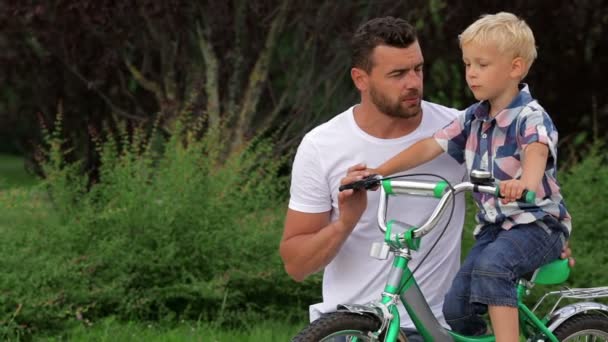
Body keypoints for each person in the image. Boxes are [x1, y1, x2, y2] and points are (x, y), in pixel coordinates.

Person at [371, 12, 571, 341]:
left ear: (515, 68)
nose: (471, 74)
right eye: (467, 64)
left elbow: (536, 151)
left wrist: (526, 184)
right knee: (456, 307)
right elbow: (429, 147)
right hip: (495, 229)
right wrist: (379, 171)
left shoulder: (530, 117)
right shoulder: (472, 118)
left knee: (493, 269)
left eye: (482, 64)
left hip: (537, 225)